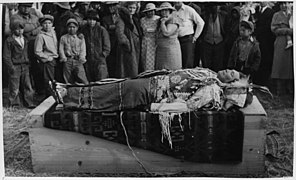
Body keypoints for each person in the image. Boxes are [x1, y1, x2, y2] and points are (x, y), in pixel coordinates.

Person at [51, 67, 250, 113]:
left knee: (113, 93)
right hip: (154, 81)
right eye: (231, 69)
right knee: (113, 85)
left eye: (231, 74)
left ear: (229, 84)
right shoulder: (209, 73)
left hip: (153, 92)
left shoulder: (212, 89)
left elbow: (187, 106)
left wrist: (155, 106)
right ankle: (67, 91)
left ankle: (66, 97)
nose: (228, 70)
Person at [10, 3, 43, 95]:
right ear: (19, 7)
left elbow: (41, 26)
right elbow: (22, 28)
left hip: (34, 45)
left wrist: (32, 31)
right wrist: (34, 28)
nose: (26, 9)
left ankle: (39, 91)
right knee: (24, 69)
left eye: (28, 7)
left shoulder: (34, 17)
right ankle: (24, 93)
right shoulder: (15, 17)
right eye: (24, 6)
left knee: (36, 68)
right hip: (21, 47)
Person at [3, 20, 35, 108]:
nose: (20, 31)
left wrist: (28, 62)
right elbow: (6, 56)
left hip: (25, 65)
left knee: (27, 85)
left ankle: (29, 102)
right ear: (13, 30)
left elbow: (27, 52)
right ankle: (14, 104)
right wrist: (11, 67)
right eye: (17, 29)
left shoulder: (24, 39)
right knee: (14, 87)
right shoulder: (9, 41)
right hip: (15, 66)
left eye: (21, 29)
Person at [80, 10, 111, 82]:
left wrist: (103, 55)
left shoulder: (102, 30)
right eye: (89, 19)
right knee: (90, 80)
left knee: (101, 79)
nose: (91, 22)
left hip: (99, 59)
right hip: (88, 59)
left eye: (93, 20)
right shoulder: (84, 30)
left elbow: (107, 46)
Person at [270, 2, 293, 95]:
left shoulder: (292, 14)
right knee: (279, 64)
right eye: (282, 3)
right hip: (280, 41)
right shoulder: (276, 15)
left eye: (287, 3)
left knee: (290, 65)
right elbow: (273, 29)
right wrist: (287, 30)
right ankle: (279, 88)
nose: (284, 6)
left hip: (292, 41)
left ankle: (290, 88)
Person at [173, 2, 205, 69]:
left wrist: (195, 37)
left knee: (187, 63)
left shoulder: (188, 9)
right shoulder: (171, 10)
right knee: (176, 63)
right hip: (174, 41)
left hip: (187, 40)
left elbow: (201, 22)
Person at [115, 2, 142, 78]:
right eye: (130, 7)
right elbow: (120, 33)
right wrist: (127, 43)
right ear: (126, 8)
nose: (132, 10)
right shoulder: (121, 19)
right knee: (126, 67)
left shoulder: (134, 19)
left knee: (134, 65)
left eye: (134, 8)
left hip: (135, 46)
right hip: (127, 48)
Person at [34, 15, 59, 98]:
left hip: (56, 59)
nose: (47, 25)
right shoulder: (40, 36)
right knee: (49, 81)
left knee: (56, 80)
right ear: (41, 25)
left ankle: (56, 97)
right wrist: (48, 58)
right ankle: (50, 98)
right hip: (48, 61)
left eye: (49, 23)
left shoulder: (53, 33)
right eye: (45, 23)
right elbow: (37, 51)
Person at [59, 18, 88, 84]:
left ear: (77, 28)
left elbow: (83, 49)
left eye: (73, 27)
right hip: (68, 60)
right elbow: (61, 49)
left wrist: (82, 57)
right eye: (70, 27)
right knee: (68, 78)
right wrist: (63, 57)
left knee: (82, 77)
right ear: (67, 28)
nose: (71, 29)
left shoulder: (80, 38)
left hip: (78, 60)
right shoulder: (63, 38)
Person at [200, 3, 228, 72]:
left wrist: (225, 41)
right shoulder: (204, 15)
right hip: (207, 42)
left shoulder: (224, 15)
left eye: (216, 6)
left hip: (219, 42)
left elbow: (227, 28)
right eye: (212, 6)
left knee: (218, 65)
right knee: (206, 65)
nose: (214, 8)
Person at [155, 2, 182, 71]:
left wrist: (163, 23)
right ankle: (162, 82)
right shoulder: (161, 19)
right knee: (161, 71)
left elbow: (167, 33)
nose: (164, 12)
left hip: (171, 50)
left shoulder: (173, 19)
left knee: (171, 70)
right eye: (162, 10)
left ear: (170, 11)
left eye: (166, 10)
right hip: (161, 50)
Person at [253, 2, 275, 86]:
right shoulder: (255, 10)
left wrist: (256, 32)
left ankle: (263, 81)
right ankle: (256, 79)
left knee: (265, 60)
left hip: (266, 40)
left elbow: (267, 27)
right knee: (256, 58)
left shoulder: (271, 12)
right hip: (256, 40)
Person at [102, 1, 120, 78]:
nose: (111, 8)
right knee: (111, 62)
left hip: (120, 42)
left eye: (113, 6)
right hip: (110, 43)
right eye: (109, 6)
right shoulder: (105, 18)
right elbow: (105, 30)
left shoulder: (121, 16)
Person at [140, 3, 160, 71]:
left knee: (156, 59)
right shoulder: (142, 20)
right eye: (149, 11)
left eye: (152, 11)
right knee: (146, 59)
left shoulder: (158, 19)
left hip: (155, 40)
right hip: (146, 41)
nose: (151, 12)